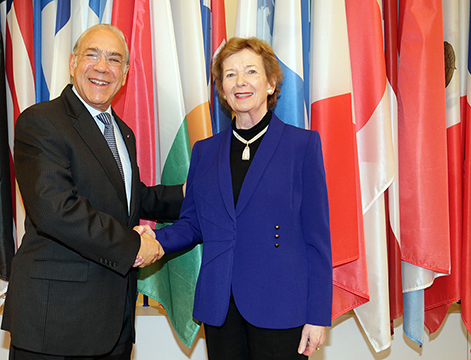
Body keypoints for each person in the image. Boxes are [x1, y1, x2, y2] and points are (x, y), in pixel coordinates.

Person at [138, 37, 332, 359]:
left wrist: (317, 316)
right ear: (222, 90)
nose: (240, 82)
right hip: (221, 306)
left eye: (251, 72)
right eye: (230, 75)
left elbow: (318, 239)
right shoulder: (205, 151)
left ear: (270, 83)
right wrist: (155, 240)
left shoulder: (302, 146)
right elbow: (193, 224)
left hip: (282, 307)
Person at [1, 24, 184, 360]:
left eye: (114, 60)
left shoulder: (122, 132)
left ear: (126, 74)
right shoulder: (41, 121)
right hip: (56, 321)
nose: (103, 67)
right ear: (72, 63)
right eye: (92, 55)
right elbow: (56, 210)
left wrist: (189, 194)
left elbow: (128, 198)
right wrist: (135, 246)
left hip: (113, 323)